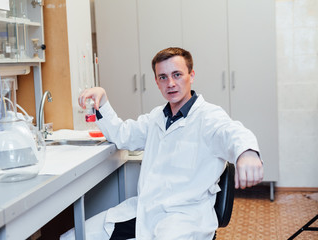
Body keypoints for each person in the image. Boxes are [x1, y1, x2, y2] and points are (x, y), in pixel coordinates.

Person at [76, 47, 263, 240]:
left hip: (185, 218)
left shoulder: (208, 117)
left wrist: (247, 152)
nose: (171, 83)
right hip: (147, 210)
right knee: (77, 235)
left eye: (177, 74)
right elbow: (123, 134)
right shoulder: (156, 117)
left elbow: (232, 132)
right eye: (163, 77)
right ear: (156, 82)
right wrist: (103, 101)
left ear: (191, 75)